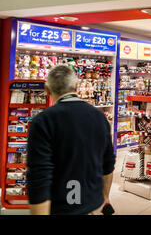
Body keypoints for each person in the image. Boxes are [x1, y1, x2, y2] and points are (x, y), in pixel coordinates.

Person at [26, 65, 116, 215]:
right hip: (91, 202)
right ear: (76, 86)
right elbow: (108, 163)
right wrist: (105, 197)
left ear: (47, 90)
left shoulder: (43, 121)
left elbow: (39, 175)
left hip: (62, 206)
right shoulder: (99, 117)